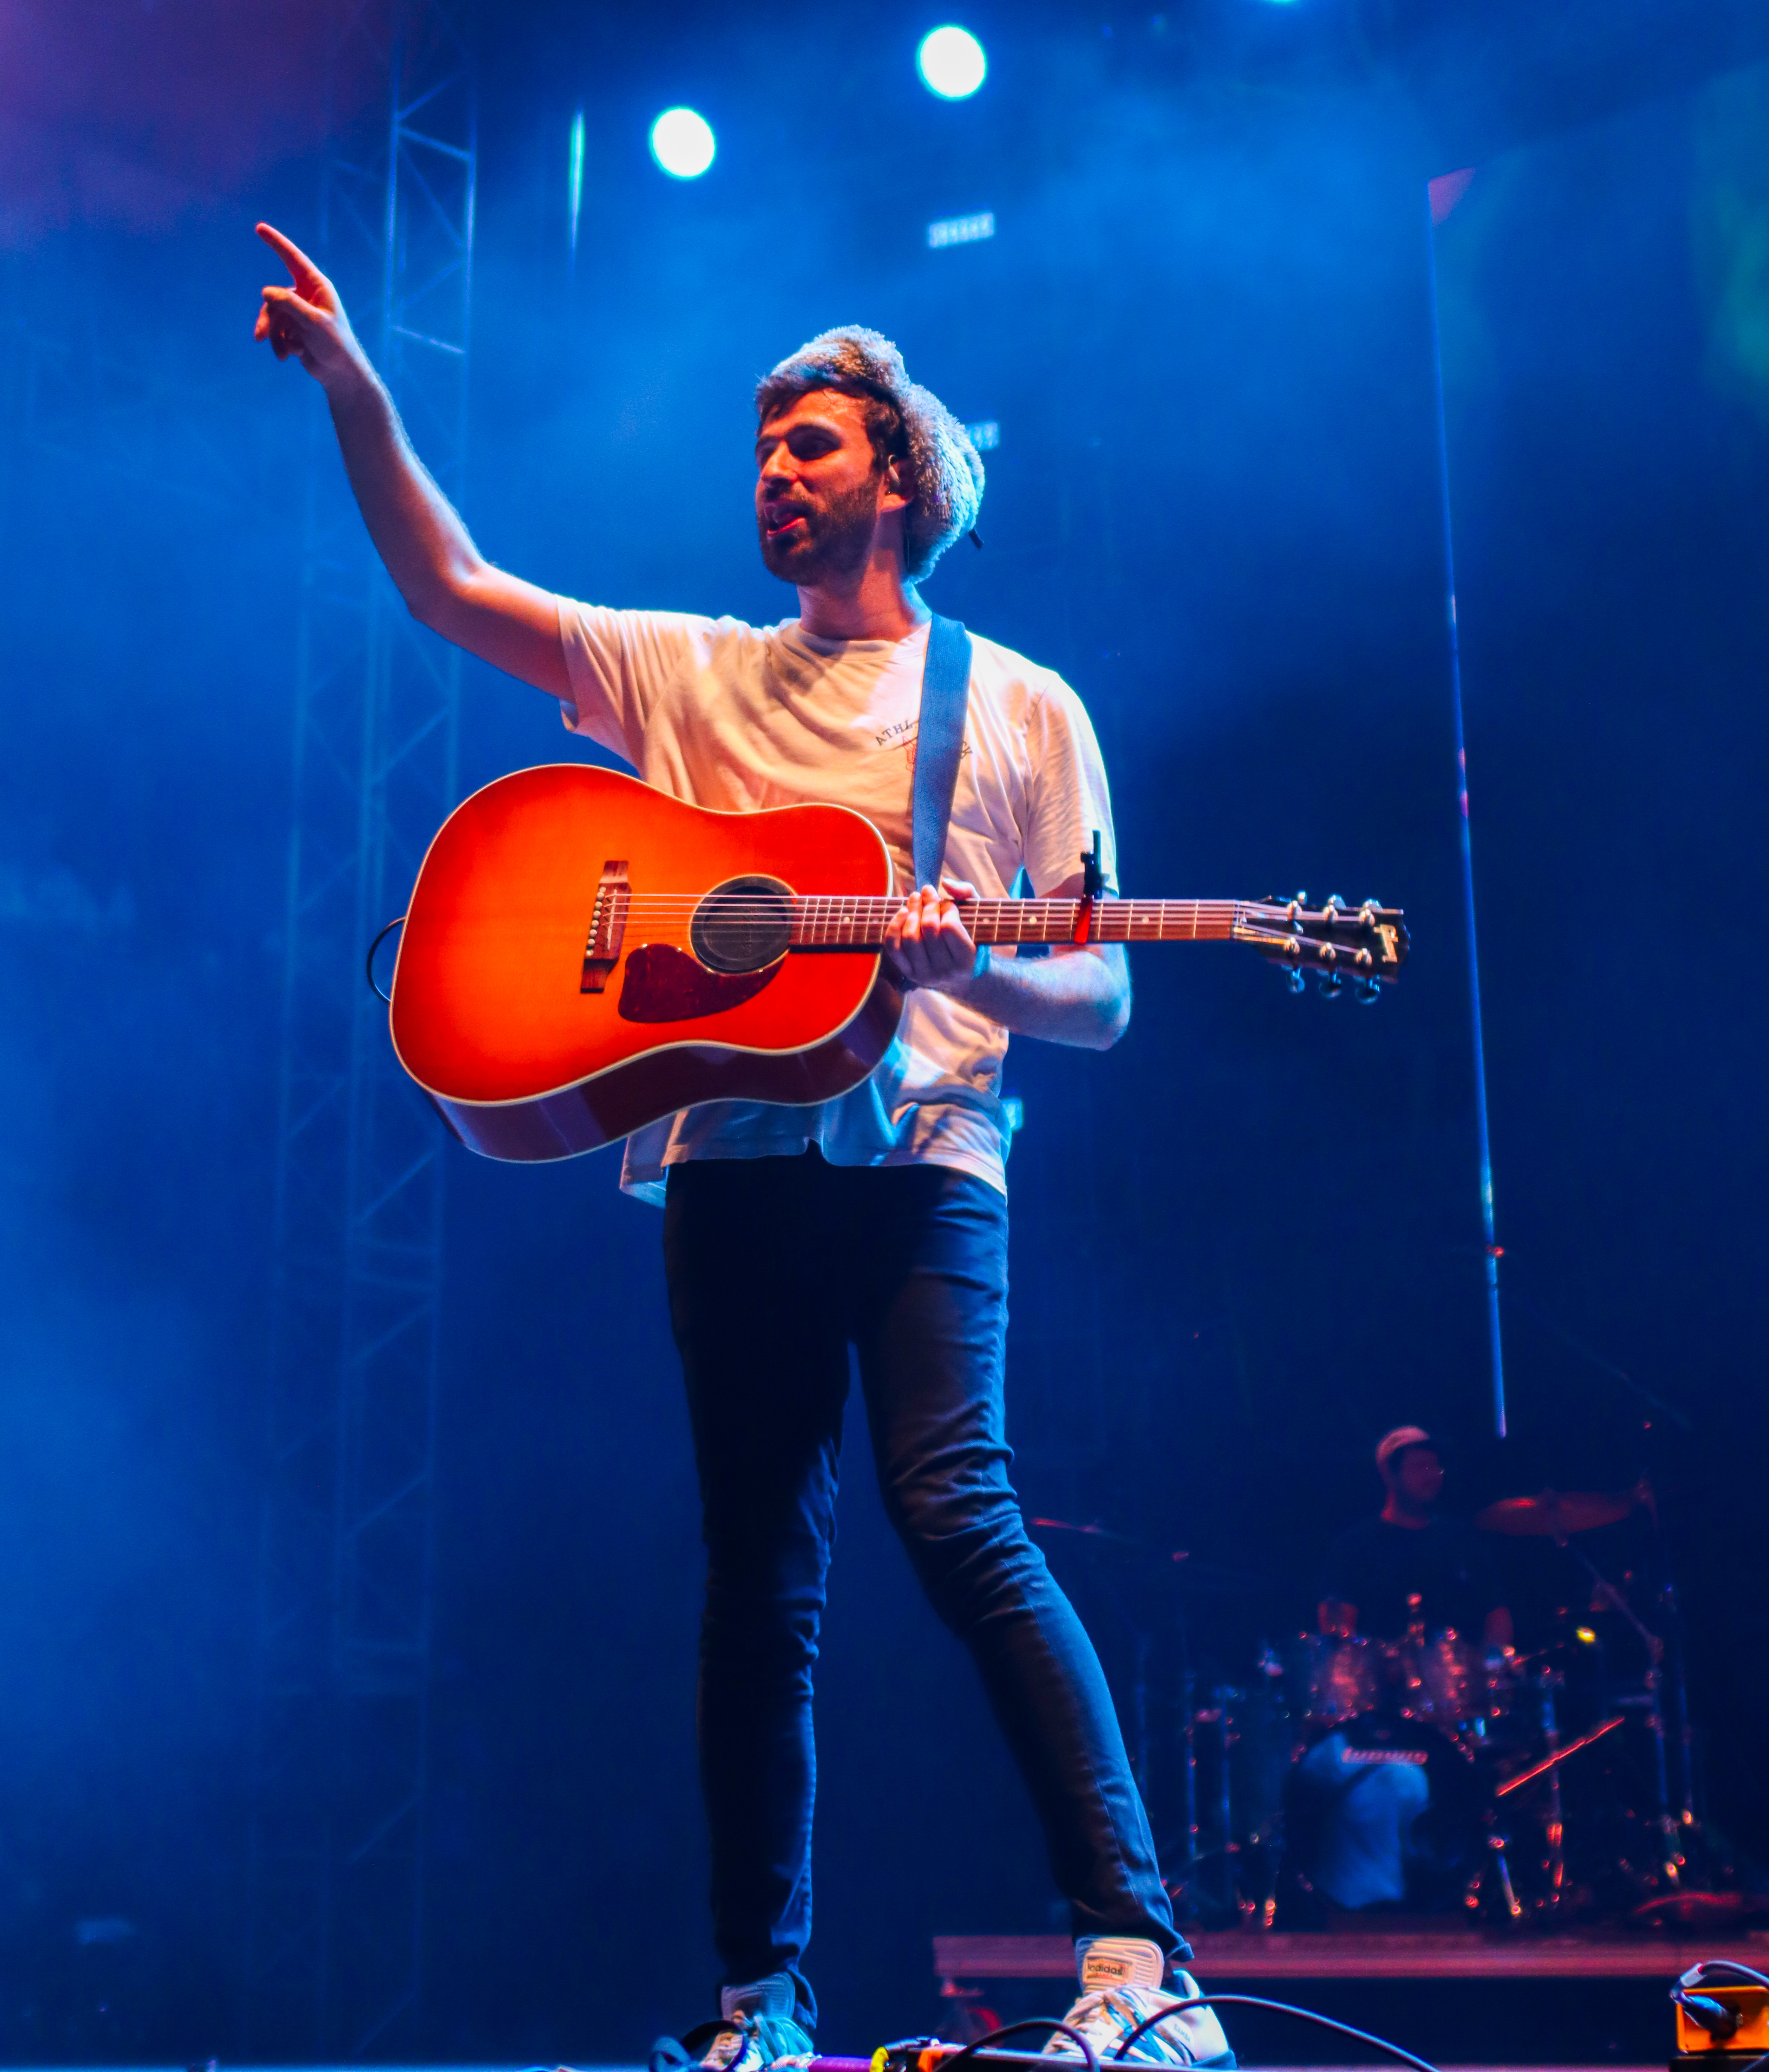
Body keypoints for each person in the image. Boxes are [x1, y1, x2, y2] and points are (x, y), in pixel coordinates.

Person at [253, 223, 1232, 2072]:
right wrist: (358, 390)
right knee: (754, 1579)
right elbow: (449, 583)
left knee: (959, 1521)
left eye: (809, 446)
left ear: (897, 474)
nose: (771, 476)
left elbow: (1095, 996)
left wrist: (976, 966)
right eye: (762, 447)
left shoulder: (1016, 707)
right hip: (726, 1158)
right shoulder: (689, 671)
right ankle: (755, 2006)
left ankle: (1137, 1962)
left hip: (932, 1156)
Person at [1316, 1429, 1514, 1652]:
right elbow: (1337, 1633)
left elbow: (1497, 1616)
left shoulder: (1465, 1541)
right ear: (1389, 1474)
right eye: (1421, 1467)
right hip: (1384, 1681)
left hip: (1460, 1679)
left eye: (1436, 1467)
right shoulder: (1353, 1548)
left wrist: (1490, 1668)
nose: (1433, 1476)